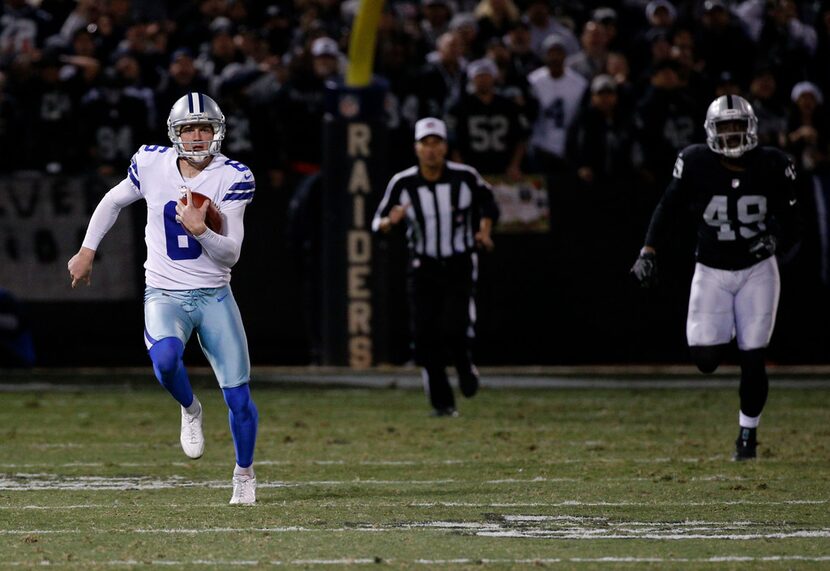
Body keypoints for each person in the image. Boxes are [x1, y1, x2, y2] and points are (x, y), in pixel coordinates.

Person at [67, 92, 259, 503]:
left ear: (217, 131)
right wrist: (87, 249)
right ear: (175, 133)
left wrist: (201, 230)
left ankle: (244, 473)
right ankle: (190, 409)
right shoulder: (153, 164)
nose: (195, 135)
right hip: (165, 291)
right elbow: (113, 200)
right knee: (166, 361)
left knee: (239, 396)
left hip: (213, 294)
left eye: (203, 127)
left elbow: (233, 252)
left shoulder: (233, 176)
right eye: (188, 128)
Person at [631, 95, 800, 461]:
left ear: (752, 128)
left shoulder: (773, 163)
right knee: (705, 358)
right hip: (711, 269)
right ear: (711, 131)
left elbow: (795, 223)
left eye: (739, 126)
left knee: (753, 357)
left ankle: (747, 436)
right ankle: (733, 326)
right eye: (726, 127)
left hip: (758, 270)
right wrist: (648, 250)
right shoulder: (694, 162)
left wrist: (776, 237)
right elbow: (667, 206)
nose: (733, 134)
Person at [372, 117, 499, 417]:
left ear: (444, 147)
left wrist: (485, 230)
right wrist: (392, 221)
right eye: (425, 144)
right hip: (423, 265)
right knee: (425, 336)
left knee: (455, 328)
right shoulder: (403, 183)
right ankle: (443, 404)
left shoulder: (465, 177)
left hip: (459, 261)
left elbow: (489, 203)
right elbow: (377, 224)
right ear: (416, 148)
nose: (431, 150)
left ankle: (465, 367)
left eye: (436, 144)